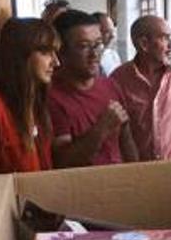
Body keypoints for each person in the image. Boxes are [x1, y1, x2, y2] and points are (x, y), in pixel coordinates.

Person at [48, 9, 138, 167]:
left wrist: (138, 176)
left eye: (98, 44)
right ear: (61, 51)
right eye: (84, 46)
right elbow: (63, 162)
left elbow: (127, 140)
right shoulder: (52, 97)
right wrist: (101, 129)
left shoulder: (110, 85)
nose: (95, 54)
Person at [110, 15, 171, 161]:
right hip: (139, 174)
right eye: (165, 38)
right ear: (144, 44)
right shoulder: (119, 80)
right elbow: (115, 134)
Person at [0, 18, 59, 173]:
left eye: (55, 52)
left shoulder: (37, 104)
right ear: (21, 55)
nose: (56, 62)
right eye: (45, 52)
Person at [95, 13, 123, 77]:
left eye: (112, 31)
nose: (112, 36)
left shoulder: (113, 55)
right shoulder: (89, 59)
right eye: (107, 32)